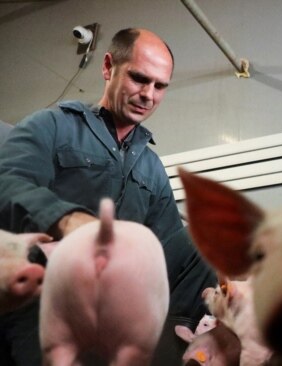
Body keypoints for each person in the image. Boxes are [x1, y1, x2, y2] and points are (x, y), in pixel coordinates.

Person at [0, 28, 215, 365]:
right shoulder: (53, 125)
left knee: (200, 242)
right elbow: (8, 182)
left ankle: (175, 354)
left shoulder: (151, 166)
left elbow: (169, 244)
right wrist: (71, 222)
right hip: (51, 294)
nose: (148, 94)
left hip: (122, 304)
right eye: (139, 78)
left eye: (160, 86)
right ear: (107, 67)